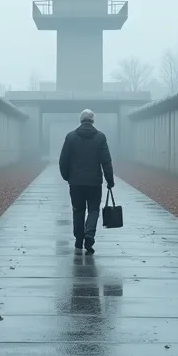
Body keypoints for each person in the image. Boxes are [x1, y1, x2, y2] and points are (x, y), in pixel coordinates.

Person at [58, 108, 115, 254]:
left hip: (76, 182)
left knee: (78, 211)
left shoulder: (70, 137)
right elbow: (106, 161)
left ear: (80, 120)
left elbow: (63, 160)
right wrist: (110, 180)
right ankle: (89, 234)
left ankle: (78, 240)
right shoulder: (100, 137)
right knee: (94, 210)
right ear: (93, 120)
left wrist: (67, 176)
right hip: (94, 182)